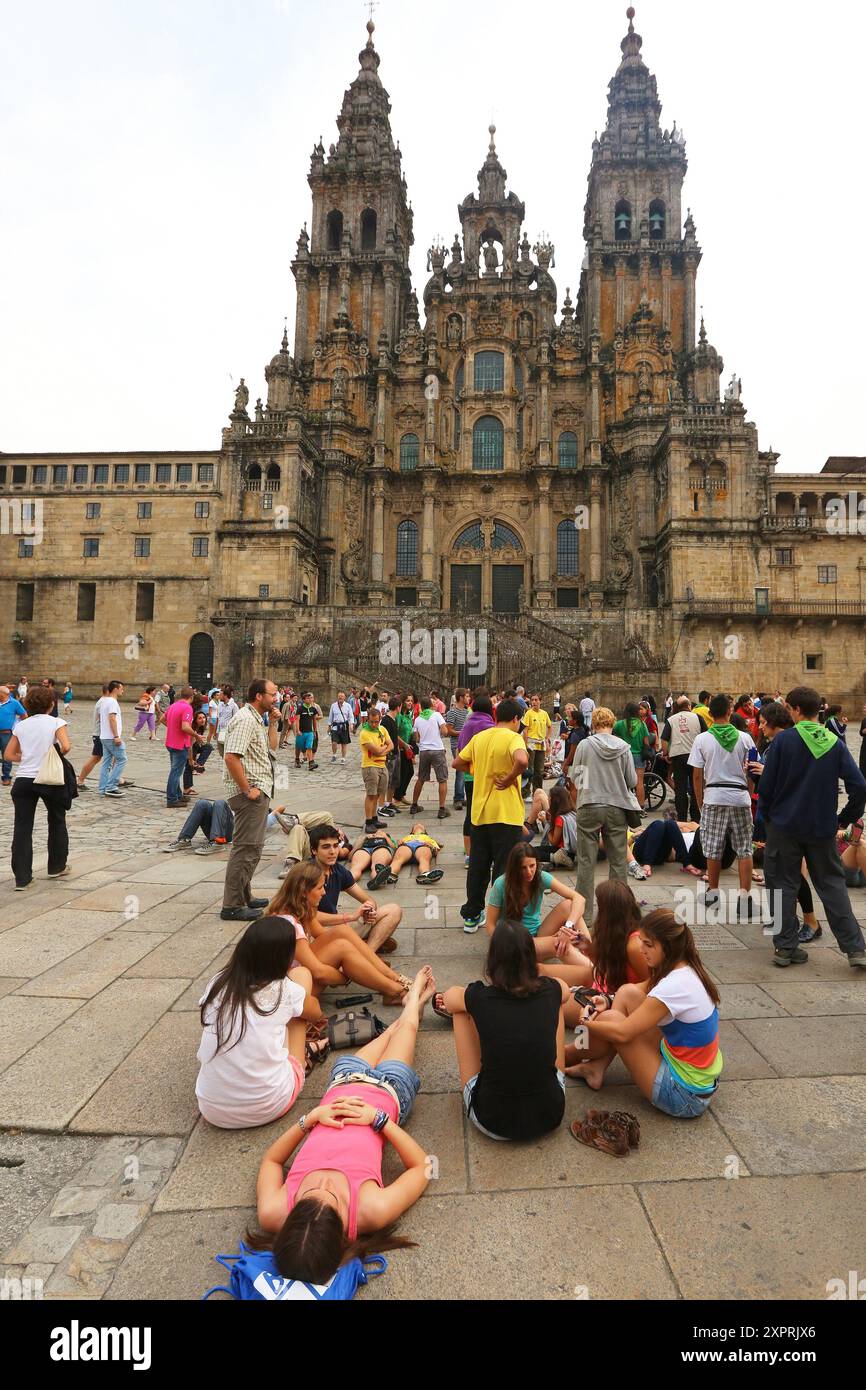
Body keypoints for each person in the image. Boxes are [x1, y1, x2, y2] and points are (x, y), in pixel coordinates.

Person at [250, 967, 434, 1286]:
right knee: (408, 1029)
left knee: (390, 1031)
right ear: (342, 1235)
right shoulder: (371, 1210)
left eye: (309, 1195)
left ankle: (410, 1008)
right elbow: (424, 1167)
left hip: (344, 1080)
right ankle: (416, 998)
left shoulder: (274, 1212)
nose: (322, 1187)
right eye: (332, 1198)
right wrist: (378, 1121)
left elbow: (271, 1161)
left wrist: (308, 1121)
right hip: (389, 1090)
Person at [574, 908, 723, 1120]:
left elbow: (623, 1033)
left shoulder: (674, 985)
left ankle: (581, 1058)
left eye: (649, 945)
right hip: (697, 1080)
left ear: (668, 946)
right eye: (641, 941)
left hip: (685, 1097)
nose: (641, 949)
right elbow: (641, 988)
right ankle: (596, 1066)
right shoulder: (684, 966)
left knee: (611, 1021)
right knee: (626, 992)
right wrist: (608, 999)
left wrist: (585, 1022)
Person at [757, 685, 866, 969]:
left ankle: (785, 947)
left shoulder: (783, 742)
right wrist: (843, 818)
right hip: (821, 827)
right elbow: (860, 786)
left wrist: (765, 819)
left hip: (783, 826)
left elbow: (766, 787)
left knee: (781, 885)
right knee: (832, 884)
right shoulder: (834, 742)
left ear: (794, 710)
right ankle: (855, 948)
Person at [435, 921, 568, 1142]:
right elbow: (565, 992)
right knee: (557, 1005)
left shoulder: (480, 997)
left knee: (460, 1011)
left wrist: (462, 1000)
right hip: (550, 1114)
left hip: (492, 1120)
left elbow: (449, 998)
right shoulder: (550, 989)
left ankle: (479, 1075)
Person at [196, 916, 321, 1129]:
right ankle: (304, 1054)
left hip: (211, 1107)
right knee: (299, 1016)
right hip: (268, 1104)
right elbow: (316, 1012)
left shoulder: (218, 982)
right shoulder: (284, 990)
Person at [266, 861, 412, 1002]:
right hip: (290, 989)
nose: (323, 892)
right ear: (304, 891)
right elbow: (319, 972)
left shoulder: (300, 908)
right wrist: (346, 975)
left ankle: (392, 977)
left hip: (296, 975)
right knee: (343, 948)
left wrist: (355, 959)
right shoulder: (289, 924)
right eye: (319, 888)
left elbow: (325, 936)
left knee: (342, 933)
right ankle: (395, 990)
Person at [555, 880, 650, 1088]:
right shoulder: (618, 933)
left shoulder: (635, 944)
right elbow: (613, 970)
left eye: (600, 905)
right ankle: (595, 1068)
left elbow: (650, 988)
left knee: (553, 1000)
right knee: (548, 982)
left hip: (614, 1005)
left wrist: (611, 1001)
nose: (598, 911)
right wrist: (588, 949)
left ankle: (561, 1057)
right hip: (605, 994)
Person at [454, 697, 529, 933]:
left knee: (478, 865)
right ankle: (501, 916)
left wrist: (479, 771)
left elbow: (458, 762)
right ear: (516, 719)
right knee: (504, 869)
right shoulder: (513, 737)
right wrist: (508, 778)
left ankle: (472, 914)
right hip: (506, 814)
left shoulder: (480, 738)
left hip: (480, 813)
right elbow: (522, 760)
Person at [688, 693, 755, 916]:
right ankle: (744, 899)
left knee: (713, 848)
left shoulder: (702, 739)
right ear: (729, 712)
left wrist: (700, 800)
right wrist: (748, 792)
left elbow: (697, 776)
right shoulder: (745, 738)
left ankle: (713, 893)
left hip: (714, 796)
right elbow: (752, 771)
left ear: (710, 713)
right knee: (744, 849)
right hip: (740, 797)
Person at [571, 707, 639, 924]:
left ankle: (585, 916)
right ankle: (615, 915)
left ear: (594, 725)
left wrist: (586, 793)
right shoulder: (624, 747)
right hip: (617, 806)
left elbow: (577, 777)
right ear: (612, 722)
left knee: (585, 862)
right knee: (618, 861)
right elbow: (632, 781)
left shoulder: (584, 745)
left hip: (590, 804)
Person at [220, 679, 280, 923]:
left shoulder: (257, 719)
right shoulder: (245, 719)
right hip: (250, 794)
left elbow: (271, 750)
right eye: (273, 694)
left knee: (253, 847)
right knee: (245, 848)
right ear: (258, 696)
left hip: (259, 789)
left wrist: (274, 724)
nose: (276, 698)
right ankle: (232, 905)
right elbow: (231, 756)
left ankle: (244, 895)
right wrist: (247, 790)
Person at [484, 843, 586, 978]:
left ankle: (590, 952)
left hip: (537, 934)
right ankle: (593, 973)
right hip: (515, 942)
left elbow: (579, 898)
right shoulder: (501, 884)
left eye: (532, 866)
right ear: (514, 868)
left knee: (569, 905)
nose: (529, 872)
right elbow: (490, 924)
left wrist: (567, 927)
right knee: (558, 944)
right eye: (523, 868)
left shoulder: (540, 876)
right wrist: (502, 948)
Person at [6, 684, 73, 889]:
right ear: (51, 704)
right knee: (56, 820)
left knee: (22, 827)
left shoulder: (21, 725)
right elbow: (66, 746)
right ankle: (56, 866)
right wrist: (48, 757)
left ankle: (22, 878)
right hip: (48, 778)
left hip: (24, 780)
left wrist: (27, 757)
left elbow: (8, 755)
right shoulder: (56, 722)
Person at [307, 823, 402, 956]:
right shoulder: (305, 873)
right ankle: (361, 950)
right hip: (313, 933)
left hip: (337, 927)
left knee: (393, 910)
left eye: (335, 846)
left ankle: (367, 954)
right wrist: (349, 917)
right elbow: (308, 917)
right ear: (314, 850)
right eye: (326, 847)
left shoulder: (338, 870)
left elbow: (367, 899)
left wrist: (369, 910)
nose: (333, 852)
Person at [457, 692, 495, 870]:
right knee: (486, 813)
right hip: (485, 776)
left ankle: (469, 854)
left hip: (469, 775)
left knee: (471, 813)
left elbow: (460, 751)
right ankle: (485, 852)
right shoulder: (489, 726)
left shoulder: (467, 725)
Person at [660, 697, 706, 821]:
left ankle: (682, 817)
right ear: (689, 706)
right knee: (696, 787)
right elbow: (706, 735)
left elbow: (664, 739)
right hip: (695, 756)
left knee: (680, 789)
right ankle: (696, 816)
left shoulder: (671, 720)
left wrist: (666, 754)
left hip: (678, 756)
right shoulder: (698, 718)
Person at [408, 697, 454, 820]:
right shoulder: (437, 715)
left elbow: (416, 738)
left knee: (421, 779)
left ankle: (414, 805)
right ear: (431, 706)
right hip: (437, 749)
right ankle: (442, 809)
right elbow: (445, 731)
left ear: (421, 707)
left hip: (424, 751)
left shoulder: (417, 719)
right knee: (442, 779)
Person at [359, 705, 393, 834]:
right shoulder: (364, 733)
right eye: (372, 721)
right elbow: (377, 751)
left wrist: (382, 750)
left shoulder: (382, 729)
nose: (374, 724)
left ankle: (374, 818)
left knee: (378, 794)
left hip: (382, 765)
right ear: (368, 720)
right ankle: (368, 822)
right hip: (370, 766)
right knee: (371, 794)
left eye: (376, 721)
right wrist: (384, 749)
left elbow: (391, 745)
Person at [613, 702, 652, 811]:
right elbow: (646, 742)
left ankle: (625, 806)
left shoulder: (620, 724)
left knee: (624, 781)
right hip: (639, 756)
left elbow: (612, 734)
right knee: (639, 782)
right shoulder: (642, 724)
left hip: (624, 756)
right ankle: (641, 807)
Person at [165, 685, 195, 809]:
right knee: (176, 772)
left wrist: (172, 728)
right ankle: (172, 799)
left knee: (175, 770)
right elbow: (185, 727)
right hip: (180, 744)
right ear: (191, 697)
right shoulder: (187, 707)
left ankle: (177, 795)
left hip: (170, 742)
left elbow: (162, 718)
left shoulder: (173, 705)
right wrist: (196, 735)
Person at [98, 679, 127, 799]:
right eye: (121, 688)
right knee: (122, 760)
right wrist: (116, 736)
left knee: (106, 763)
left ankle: (103, 787)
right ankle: (111, 786)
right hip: (111, 737)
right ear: (116, 689)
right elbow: (112, 719)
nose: (122, 690)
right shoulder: (113, 702)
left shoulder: (104, 701)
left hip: (104, 736)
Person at [521, 692, 552, 793]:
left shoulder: (544, 713)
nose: (534, 702)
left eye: (536, 700)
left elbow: (550, 726)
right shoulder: (528, 713)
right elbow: (525, 730)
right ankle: (526, 792)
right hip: (531, 744)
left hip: (541, 744)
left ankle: (538, 791)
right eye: (532, 700)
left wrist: (547, 738)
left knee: (539, 769)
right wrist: (525, 745)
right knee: (530, 768)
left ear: (540, 701)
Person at [445, 689, 470, 809]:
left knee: (466, 771)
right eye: (466, 696)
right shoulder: (452, 712)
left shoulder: (467, 712)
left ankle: (463, 796)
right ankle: (458, 798)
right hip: (457, 745)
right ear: (460, 698)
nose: (468, 698)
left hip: (467, 745)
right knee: (460, 771)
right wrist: (462, 733)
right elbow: (449, 730)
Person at [0, 684, 27, 787]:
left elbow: (24, 715)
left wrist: (18, 726)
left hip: (6, 733)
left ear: (4, 694)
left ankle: (6, 777)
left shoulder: (14, 703)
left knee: (6, 756)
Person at [293, 693, 319, 771]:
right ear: (303, 700)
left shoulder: (313, 709)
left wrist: (315, 731)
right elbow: (297, 720)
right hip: (301, 732)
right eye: (307, 698)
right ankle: (297, 760)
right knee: (298, 746)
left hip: (309, 732)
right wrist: (298, 730)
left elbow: (314, 721)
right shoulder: (300, 709)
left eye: (310, 698)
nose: (309, 700)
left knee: (309, 747)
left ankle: (311, 763)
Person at [328, 690, 355, 763]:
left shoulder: (348, 706)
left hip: (344, 726)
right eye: (339, 696)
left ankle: (343, 758)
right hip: (335, 726)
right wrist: (329, 726)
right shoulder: (333, 705)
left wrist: (351, 725)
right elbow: (331, 716)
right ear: (337, 697)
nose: (340, 698)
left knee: (344, 743)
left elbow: (351, 717)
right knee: (334, 742)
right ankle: (334, 755)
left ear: (344, 697)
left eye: (342, 696)